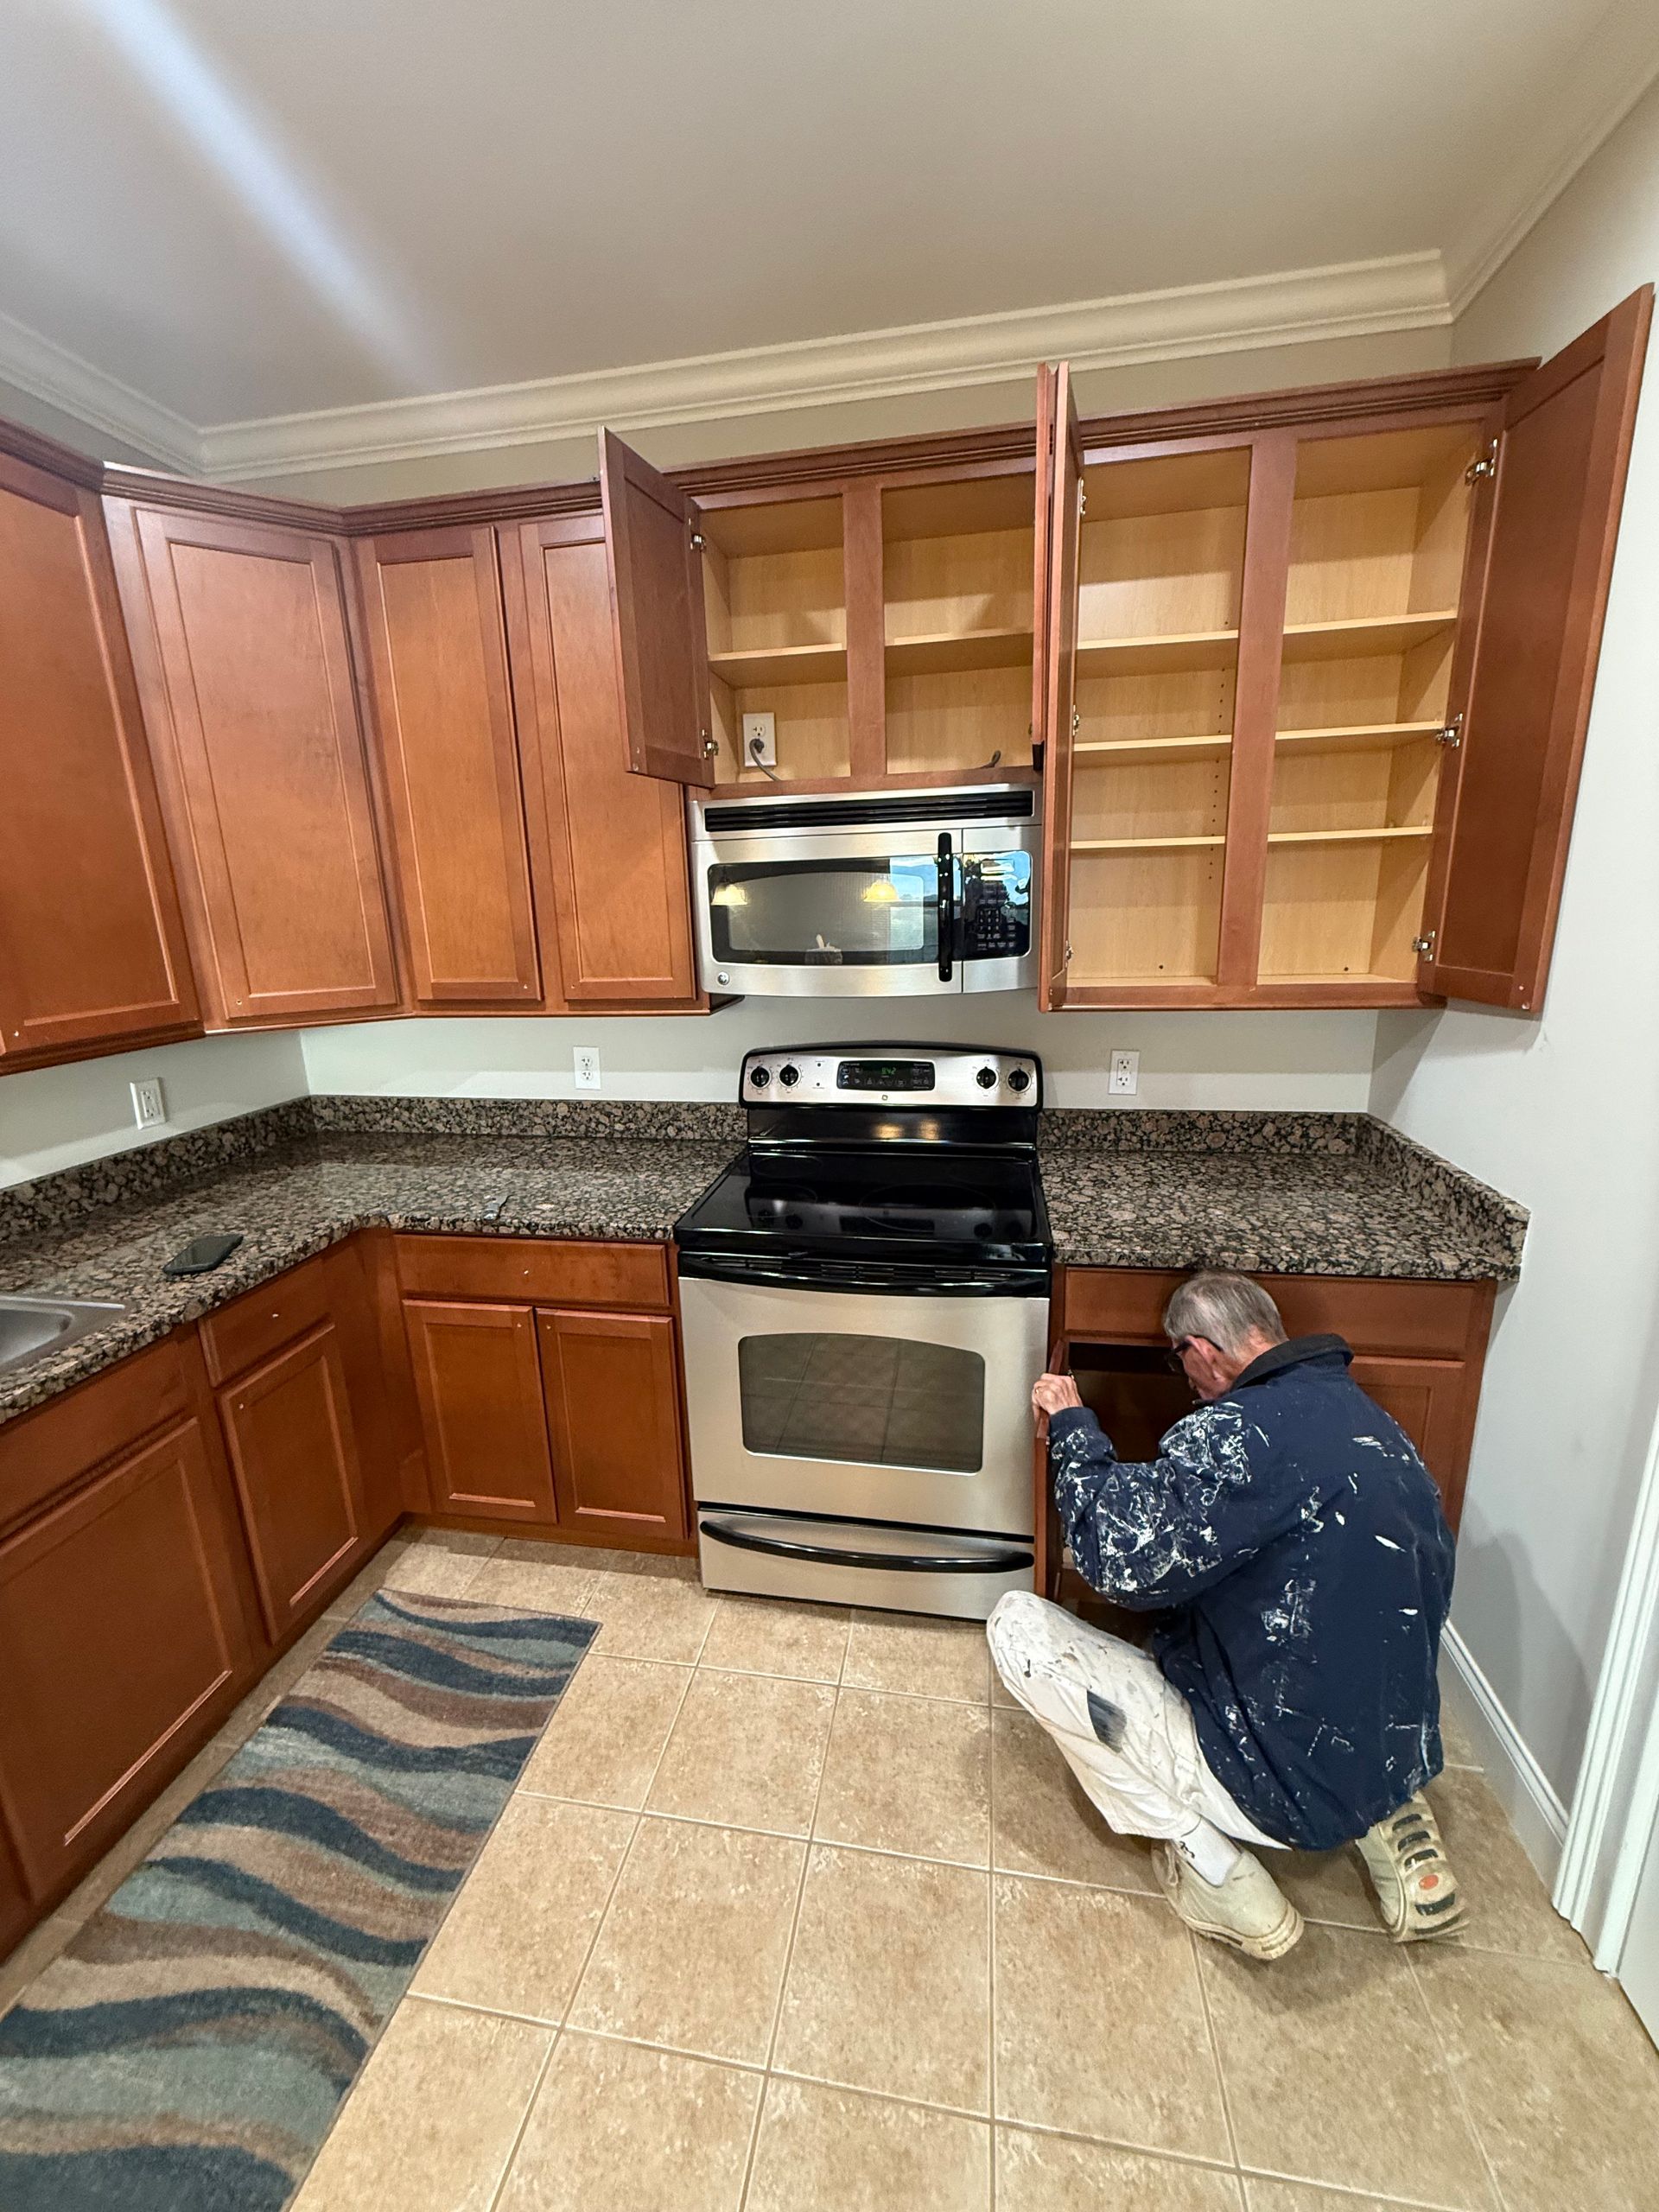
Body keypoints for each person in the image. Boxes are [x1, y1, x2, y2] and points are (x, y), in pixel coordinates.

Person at [988, 1269, 1465, 1960]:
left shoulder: (1236, 1433)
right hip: (1394, 1746)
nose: (1184, 1380)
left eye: (1177, 1361)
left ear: (1202, 1350)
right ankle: (1387, 1813)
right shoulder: (1375, 1424)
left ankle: (1218, 1871)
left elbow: (1118, 1559)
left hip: (1276, 1783)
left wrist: (1073, 1426)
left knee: (1018, 1628)